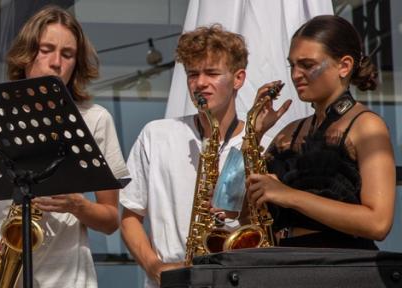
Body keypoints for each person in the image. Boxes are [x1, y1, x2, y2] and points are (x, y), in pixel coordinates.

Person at [0, 5, 129, 287]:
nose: (56, 62)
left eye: (67, 55)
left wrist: (76, 205)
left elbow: (110, 219)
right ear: (26, 54)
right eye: (46, 49)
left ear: (75, 64)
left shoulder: (95, 119)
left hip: (68, 278)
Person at [120, 24, 253, 287]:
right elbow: (130, 218)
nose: (200, 83)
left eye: (212, 73)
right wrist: (155, 268)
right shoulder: (155, 134)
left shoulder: (260, 144)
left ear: (239, 78)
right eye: (193, 74)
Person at [247, 15, 395, 249]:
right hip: (281, 263)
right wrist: (252, 135)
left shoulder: (366, 125)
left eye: (307, 65)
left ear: (344, 66)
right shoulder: (290, 131)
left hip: (339, 269)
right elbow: (230, 206)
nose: (296, 75)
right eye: (292, 65)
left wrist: (289, 196)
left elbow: (378, 223)